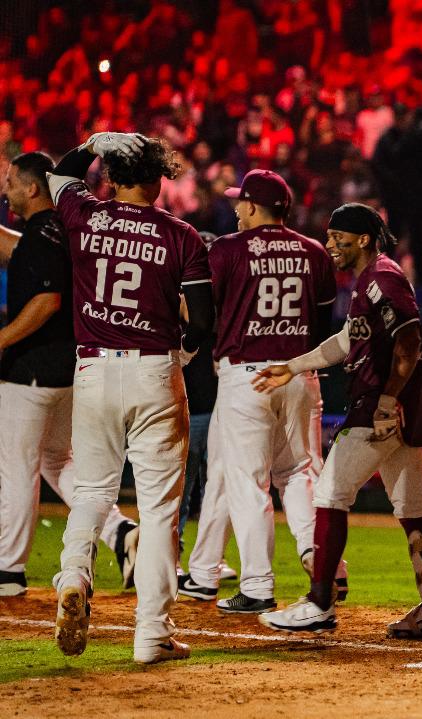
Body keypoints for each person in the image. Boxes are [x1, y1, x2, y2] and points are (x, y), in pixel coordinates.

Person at [48, 132, 214, 664]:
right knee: (160, 509)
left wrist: (93, 142)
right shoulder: (182, 235)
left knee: (93, 491)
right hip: (155, 371)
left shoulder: (85, 214)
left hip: (94, 367)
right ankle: (152, 636)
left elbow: (59, 176)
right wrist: (181, 357)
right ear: (158, 179)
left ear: (111, 178)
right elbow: (202, 322)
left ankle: (74, 575)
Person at [253, 203, 422, 640]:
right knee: (415, 508)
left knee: (329, 492)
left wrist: (385, 401)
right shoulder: (371, 279)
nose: (329, 245)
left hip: (380, 404)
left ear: (363, 238)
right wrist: (294, 365)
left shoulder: (382, 278)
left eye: (336, 236)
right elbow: (347, 341)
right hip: (403, 405)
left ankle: (320, 604)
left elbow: (410, 341)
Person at [191, 169, 341, 614]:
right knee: (299, 472)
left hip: (248, 376)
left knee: (248, 482)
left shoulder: (227, 249)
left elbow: (202, 311)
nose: (236, 208)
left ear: (254, 206)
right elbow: (324, 326)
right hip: (298, 372)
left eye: (241, 202)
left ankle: (257, 584)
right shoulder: (315, 252)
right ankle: (322, 558)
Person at [0, 151, 138, 598]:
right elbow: (19, 249)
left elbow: (46, 301)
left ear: (33, 187)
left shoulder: (41, 236)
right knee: (57, 461)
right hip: (70, 370)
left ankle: (8, 569)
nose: (5, 189)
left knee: (17, 466)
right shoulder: (63, 229)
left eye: (10, 181)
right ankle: (119, 532)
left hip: (32, 372)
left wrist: (1, 341)